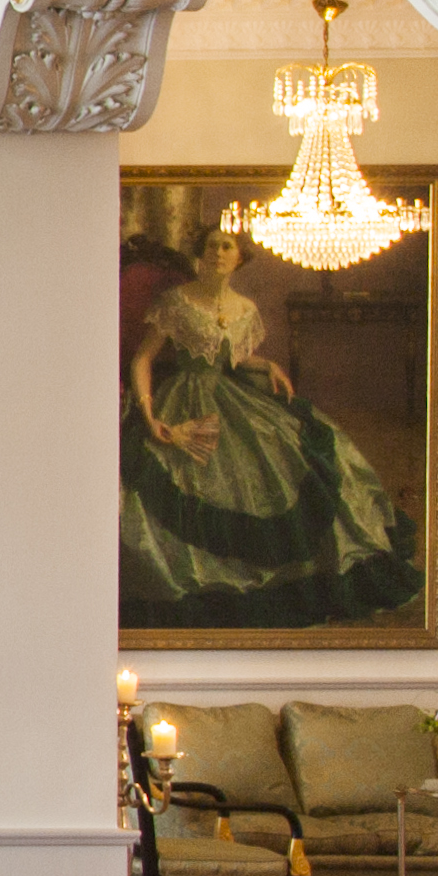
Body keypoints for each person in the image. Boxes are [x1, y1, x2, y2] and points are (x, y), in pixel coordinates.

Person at [122, 219, 416, 625]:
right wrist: (148, 411)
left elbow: (232, 360)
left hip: (230, 393)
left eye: (227, 246)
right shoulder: (177, 302)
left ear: (240, 257)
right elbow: (143, 359)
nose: (218, 252)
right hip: (184, 398)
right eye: (211, 245)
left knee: (290, 450)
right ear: (200, 253)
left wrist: (268, 363)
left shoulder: (246, 309)